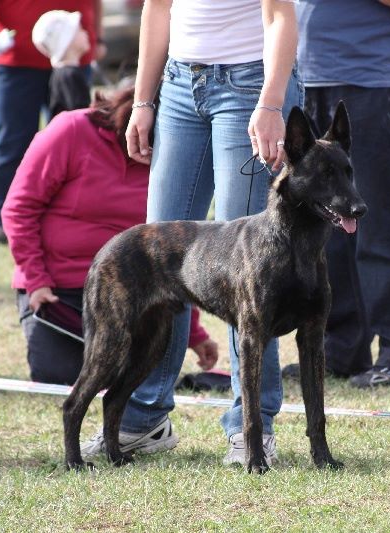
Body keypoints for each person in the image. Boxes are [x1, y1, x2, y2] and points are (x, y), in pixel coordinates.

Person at [79, 0, 302, 467]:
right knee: (156, 265)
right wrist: (143, 100)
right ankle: (143, 422)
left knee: (251, 273)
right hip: (180, 86)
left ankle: (251, 428)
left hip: (249, 86)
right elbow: (158, 9)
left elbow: (281, 16)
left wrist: (271, 102)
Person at [1, 87, 219, 421]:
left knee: (126, 377)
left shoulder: (175, 161)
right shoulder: (70, 130)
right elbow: (19, 209)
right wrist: (36, 280)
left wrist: (193, 334)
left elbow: (176, 255)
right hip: (60, 294)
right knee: (61, 377)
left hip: (134, 295)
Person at [283, 0, 390, 388]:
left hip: (372, 83)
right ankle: (341, 349)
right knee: (327, 227)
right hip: (305, 77)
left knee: (384, 223)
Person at [0, 0, 103, 245]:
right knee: (12, 142)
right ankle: (2, 219)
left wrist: (99, 37)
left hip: (74, 57)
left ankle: (66, 215)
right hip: (16, 60)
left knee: (75, 147)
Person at [31, 9, 92, 119]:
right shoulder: (70, 75)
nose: (85, 32)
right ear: (67, 39)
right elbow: (81, 117)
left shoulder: (63, 73)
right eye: (80, 29)